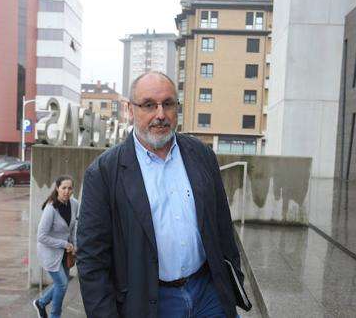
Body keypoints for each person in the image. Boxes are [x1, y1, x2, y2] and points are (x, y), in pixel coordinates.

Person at [77, 71, 244, 318]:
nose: (160, 115)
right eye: (148, 105)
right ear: (130, 110)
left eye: (168, 104)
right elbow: (92, 259)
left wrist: (232, 280)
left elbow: (221, 224)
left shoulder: (201, 155)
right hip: (150, 303)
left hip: (209, 294)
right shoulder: (103, 173)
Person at [33, 175, 78, 318]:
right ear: (57, 188)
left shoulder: (75, 204)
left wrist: (74, 245)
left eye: (69, 188)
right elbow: (41, 236)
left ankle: (41, 303)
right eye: (63, 188)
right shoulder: (50, 209)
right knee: (62, 284)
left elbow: (73, 228)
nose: (66, 191)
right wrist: (64, 244)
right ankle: (55, 315)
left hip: (65, 253)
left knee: (61, 284)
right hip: (50, 253)